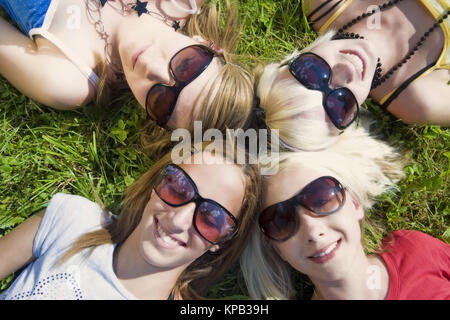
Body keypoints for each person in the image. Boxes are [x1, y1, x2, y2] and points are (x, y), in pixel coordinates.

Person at [0, 141, 261, 299]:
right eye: (178, 188)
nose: (179, 220)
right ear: (156, 185)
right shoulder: (74, 220)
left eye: (210, 218)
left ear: (222, 241)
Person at [0, 0, 255, 132]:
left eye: (161, 100)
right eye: (187, 66)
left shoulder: (68, 78)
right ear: (208, 44)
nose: (152, 68)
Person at [241, 146, 450, 300]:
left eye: (321, 199)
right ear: (278, 251)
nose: (312, 231)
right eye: (282, 221)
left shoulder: (414, 249)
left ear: (356, 203)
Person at [256, 0, 449, 151]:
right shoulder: (419, 101)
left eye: (312, 73)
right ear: (347, 128)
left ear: (285, 62)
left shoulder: (327, 4)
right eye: (340, 104)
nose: (344, 73)